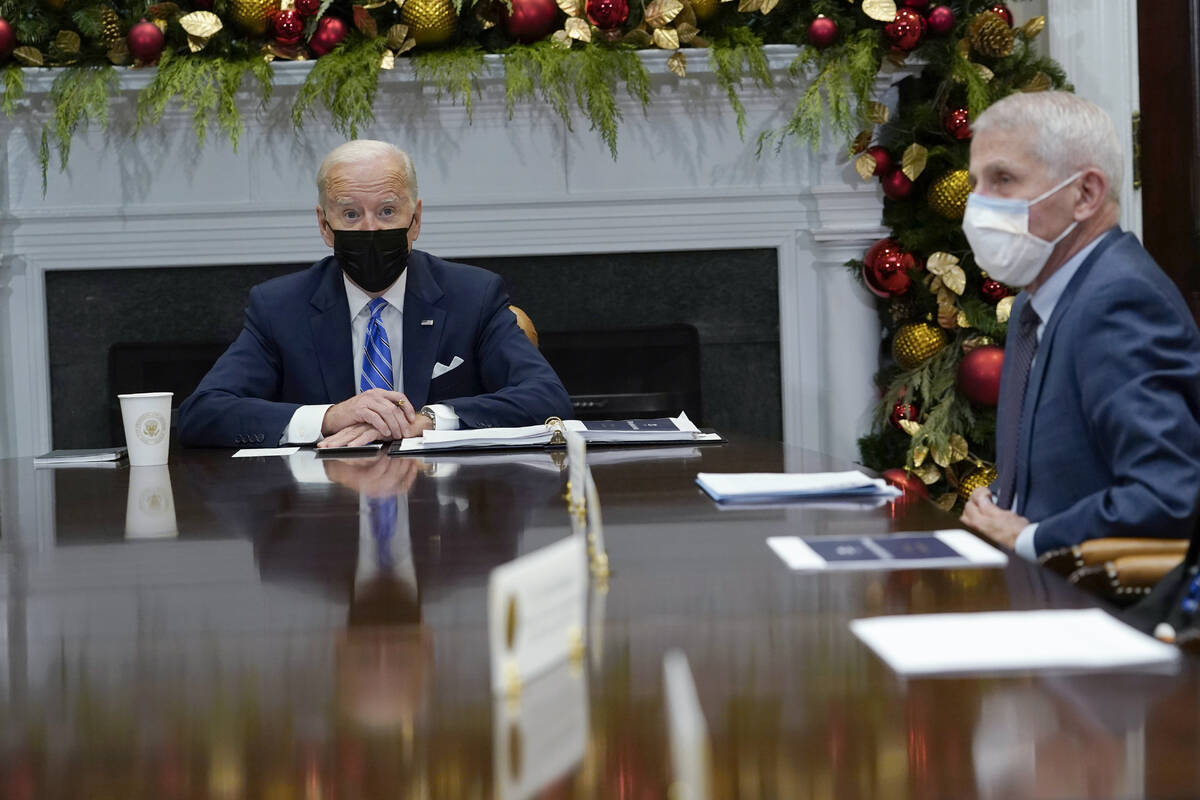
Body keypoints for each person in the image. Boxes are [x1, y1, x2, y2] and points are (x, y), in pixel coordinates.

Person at [177, 140, 572, 448]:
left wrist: (428, 420)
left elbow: (547, 398)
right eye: (350, 214)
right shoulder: (280, 307)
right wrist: (330, 417)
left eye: (387, 211)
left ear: (415, 220)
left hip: (444, 519)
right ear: (324, 225)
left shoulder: (473, 295)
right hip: (322, 516)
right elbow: (202, 413)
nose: (369, 231)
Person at [960, 91, 1200, 560]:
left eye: (1003, 179)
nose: (977, 204)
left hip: (1105, 610)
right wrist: (998, 502)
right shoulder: (1039, 303)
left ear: (1085, 194)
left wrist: (1024, 538)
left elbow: (1167, 493)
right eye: (975, 182)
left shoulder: (1117, 301)